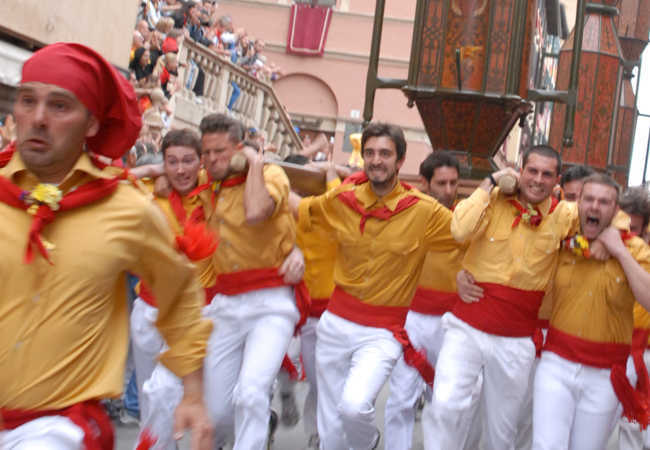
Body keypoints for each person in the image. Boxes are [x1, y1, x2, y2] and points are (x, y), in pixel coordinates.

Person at [0, 42, 213, 450]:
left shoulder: (127, 209)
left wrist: (192, 392)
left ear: (92, 125)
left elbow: (180, 290)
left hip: (54, 429)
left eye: (59, 106)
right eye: (28, 101)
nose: (39, 118)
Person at [296, 122, 458, 450]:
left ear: (400, 161)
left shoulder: (424, 211)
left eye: (385, 153)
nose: (376, 160)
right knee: (329, 432)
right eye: (369, 153)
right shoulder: (343, 199)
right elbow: (301, 210)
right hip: (334, 324)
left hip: (382, 332)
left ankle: (368, 442)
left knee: (354, 407)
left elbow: (469, 236)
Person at [428, 145, 577, 450]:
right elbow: (460, 230)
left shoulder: (563, 215)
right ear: (519, 171)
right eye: (532, 171)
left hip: (516, 340)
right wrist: (490, 182)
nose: (538, 180)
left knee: (502, 432)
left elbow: (615, 218)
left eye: (546, 174)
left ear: (556, 181)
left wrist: (602, 242)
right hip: (466, 327)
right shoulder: (492, 199)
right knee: (445, 405)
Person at [199, 113, 308, 449]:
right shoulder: (204, 179)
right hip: (224, 303)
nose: (212, 160)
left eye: (220, 152)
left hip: (270, 303)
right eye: (206, 152)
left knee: (250, 393)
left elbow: (257, 212)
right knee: (216, 414)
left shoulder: (271, 174)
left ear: (238, 149)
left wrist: (255, 163)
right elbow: (168, 172)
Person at [531, 174, 650, 450]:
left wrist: (619, 251)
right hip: (556, 364)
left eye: (604, 202)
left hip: (605, 374)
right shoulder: (562, 238)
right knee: (546, 445)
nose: (595, 206)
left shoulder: (635, 249)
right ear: (579, 203)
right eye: (589, 199)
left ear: (616, 209)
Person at [384, 151, 481, 450]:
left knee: (447, 402)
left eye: (454, 183)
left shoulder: (469, 215)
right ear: (424, 182)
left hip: (453, 324)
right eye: (441, 183)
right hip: (410, 319)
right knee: (401, 398)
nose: (449, 190)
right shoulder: (406, 210)